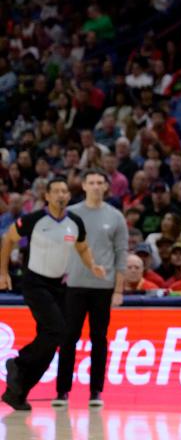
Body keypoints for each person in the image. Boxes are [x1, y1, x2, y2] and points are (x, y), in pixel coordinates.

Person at [0, 177, 107, 411]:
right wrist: (3, 272)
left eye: (64, 191)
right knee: (56, 330)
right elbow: (8, 239)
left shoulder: (75, 223)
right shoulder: (34, 220)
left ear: (69, 196)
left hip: (59, 285)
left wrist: (93, 266)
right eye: (56, 191)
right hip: (34, 283)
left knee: (55, 338)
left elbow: (82, 247)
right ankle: (17, 363)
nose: (61, 195)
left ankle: (17, 391)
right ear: (47, 196)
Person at [55, 169, 128, 408]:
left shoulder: (115, 216)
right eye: (91, 182)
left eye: (100, 183)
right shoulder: (71, 214)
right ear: (84, 186)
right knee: (68, 338)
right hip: (74, 286)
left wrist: (118, 290)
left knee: (99, 339)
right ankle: (62, 391)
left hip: (102, 288)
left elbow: (121, 254)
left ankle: (96, 391)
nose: (96, 186)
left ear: (106, 188)